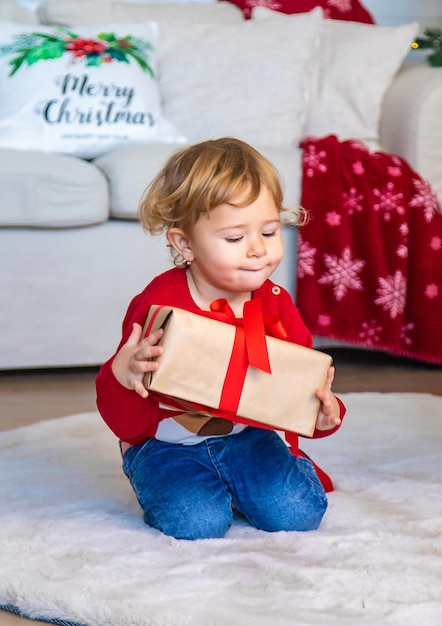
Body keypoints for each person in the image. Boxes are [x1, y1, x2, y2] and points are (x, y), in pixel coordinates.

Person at [96, 137, 346, 540]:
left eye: (269, 231)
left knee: (300, 513)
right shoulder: (158, 306)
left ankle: (277, 470)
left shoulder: (275, 304)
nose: (257, 251)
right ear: (185, 244)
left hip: (247, 435)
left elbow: (297, 389)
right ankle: (171, 478)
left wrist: (322, 416)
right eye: (234, 239)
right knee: (197, 523)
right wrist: (123, 375)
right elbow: (121, 414)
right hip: (168, 443)